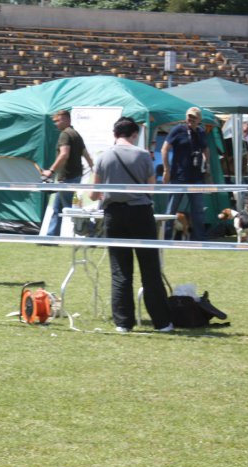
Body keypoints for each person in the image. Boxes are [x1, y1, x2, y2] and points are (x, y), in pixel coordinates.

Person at [90, 117, 173, 333]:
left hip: (113, 214)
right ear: (134, 134)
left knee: (120, 270)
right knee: (150, 269)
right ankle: (162, 322)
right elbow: (151, 189)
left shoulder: (103, 156)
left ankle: (123, 323)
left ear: (115, 134)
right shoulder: (143, 155)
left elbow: (93, 193)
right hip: (140, 213)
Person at [40, 109, 93, 237]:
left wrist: (51, 171)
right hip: (75, 177)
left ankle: (93, 230)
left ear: (66, 119)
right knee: (58, 208)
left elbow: (64, 154)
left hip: (67, 178)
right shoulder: (76, 134)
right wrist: (94, 169)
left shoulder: (65, 135)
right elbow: (86, 155)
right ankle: (51, 237)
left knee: (71, 210)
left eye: (58, 120)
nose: (56, 124)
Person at [162, 107, 210, 241]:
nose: (191, 119)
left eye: (194, 117)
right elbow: (164, 149)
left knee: (198, 211)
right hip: (178, 177)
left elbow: (206, 149)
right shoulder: (177, 130)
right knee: (171, 211)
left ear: (199, 120)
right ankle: (166, 238)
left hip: (196, 179)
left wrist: (207, 167)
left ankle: (200, 239)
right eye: (189, 116)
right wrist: (166, 169)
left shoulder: (201, 132)